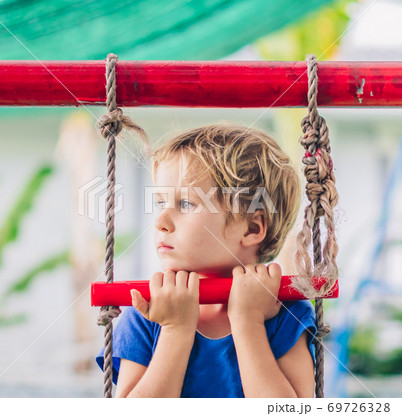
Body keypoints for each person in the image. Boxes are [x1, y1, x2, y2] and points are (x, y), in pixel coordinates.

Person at [96, 124, 317, 398]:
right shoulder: (146, 312)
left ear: (250, 229)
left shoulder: (285, 312)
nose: (161, 222)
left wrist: (249, 321)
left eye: (186, 204)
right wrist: (175, 330)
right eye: (161, 203)